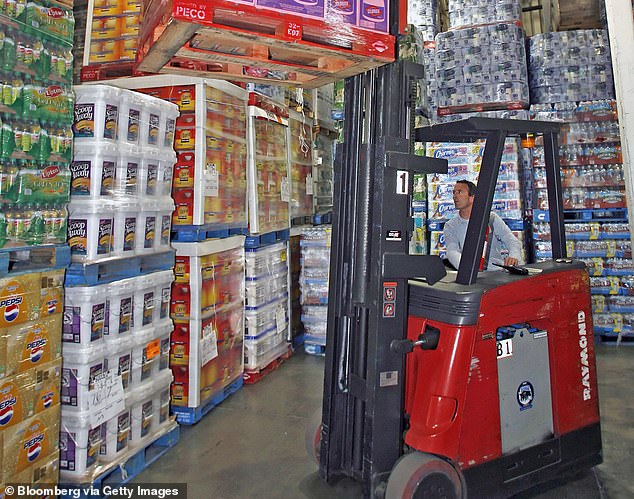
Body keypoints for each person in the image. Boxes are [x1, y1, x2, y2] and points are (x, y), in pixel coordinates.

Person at [444, 180, 522, 271]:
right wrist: (467, 269)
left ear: (472, 197)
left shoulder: (491, 218)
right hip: (470, 275)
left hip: (496, 273)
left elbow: (511, 240)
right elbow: (452, 251)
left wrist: (514, 256)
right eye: (454, 192)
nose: (455, 196)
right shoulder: (450, 226)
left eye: (460, 192)